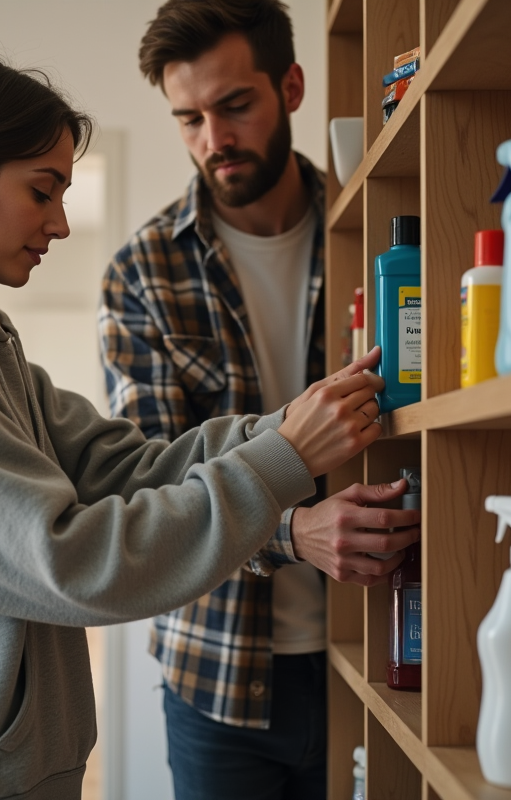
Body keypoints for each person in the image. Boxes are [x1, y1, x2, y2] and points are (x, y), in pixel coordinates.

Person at [0, 53, 389, 800]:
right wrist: (283, 460)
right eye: (42, 191)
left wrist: (289, 429)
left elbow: (126, 465)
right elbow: (72, 561)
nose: (61, 223)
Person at [98, 2, 421, 798]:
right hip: (215, 678)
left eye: (234, 105)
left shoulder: (371, 221)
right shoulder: (141, 272)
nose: (215, 139)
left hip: (382, 645)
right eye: (189, 119)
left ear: (293, 86)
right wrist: (291, 530)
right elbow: (150, 485)